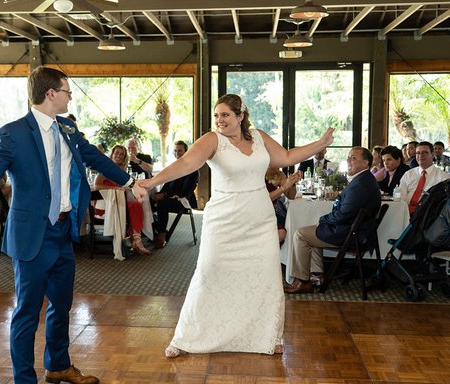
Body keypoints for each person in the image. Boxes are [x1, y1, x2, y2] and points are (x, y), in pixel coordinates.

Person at [0, 66, 146, 384]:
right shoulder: (13, 133)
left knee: (62, 305)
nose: (70, 96)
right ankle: (25, 379)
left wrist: (131, 182)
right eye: (67, 91)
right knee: (27, 311)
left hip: (63, 231)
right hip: (32, 235)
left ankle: (58, 365)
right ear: (51, 94)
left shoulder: (66, 128)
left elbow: (95, 157)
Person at [138, 93, 334, 358]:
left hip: (259, 219)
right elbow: (186, 163)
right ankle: (187, 337)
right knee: (209, 273)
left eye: (226, 115)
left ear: (241, 116)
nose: (220, 120)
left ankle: (265, 335)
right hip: (224, 219)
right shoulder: (212, 140)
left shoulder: (260, 137)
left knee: (264, 276)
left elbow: (287, 157)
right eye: (217, 115)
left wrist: (320, 143)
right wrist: (152, 182)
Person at [284, 147, 382, 294]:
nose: (348, 160)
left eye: (353, 158)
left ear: (366, 162)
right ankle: (317, 276)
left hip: (350, 234)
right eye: (348, 157)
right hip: (353, 230)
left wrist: (323, 219)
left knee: (300, 234)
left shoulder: (361, 185)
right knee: (313, 231)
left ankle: (303, 281)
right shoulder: (364, 179)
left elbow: (343, 215)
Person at [94, 144, 151, 255]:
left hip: (118, 203)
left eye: (122, 154)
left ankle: (135, 239)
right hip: (106, 205)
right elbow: (97, 186)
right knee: (135, 205)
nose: (119, 156)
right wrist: (116, 188)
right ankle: (136, 241)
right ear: (112, 154)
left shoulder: (122, 171)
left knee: (137, 203)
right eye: (117, 153)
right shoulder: (106, 167)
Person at [151, 140, 200, 249]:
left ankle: (162, 234)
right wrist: (157, 195)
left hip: (183, 201)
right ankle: (150, 231)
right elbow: (166, 186)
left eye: (180, 150)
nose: (177, 153)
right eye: (175, 151)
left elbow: (183, 192)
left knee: (162, 203)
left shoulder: (193, 169)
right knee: (148, 201)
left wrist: (163, 195)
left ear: (186, 152)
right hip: (169, 197)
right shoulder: (174, 167)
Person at [397, 141, 450, 213]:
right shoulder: (408, 174)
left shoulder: (443, 177)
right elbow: (400, 198)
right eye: (418, 153)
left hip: (429, 216)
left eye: (425, 152)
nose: (420, 156)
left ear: (433, 154)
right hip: (405, 213)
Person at [265, 166, 300, 243]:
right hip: (258, 209)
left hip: (273, 210)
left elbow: (291, 196)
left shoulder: (279, 174)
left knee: (282, 232)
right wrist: (283, 188)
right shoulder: (256, 172)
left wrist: (292, 183)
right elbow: (265, 199)